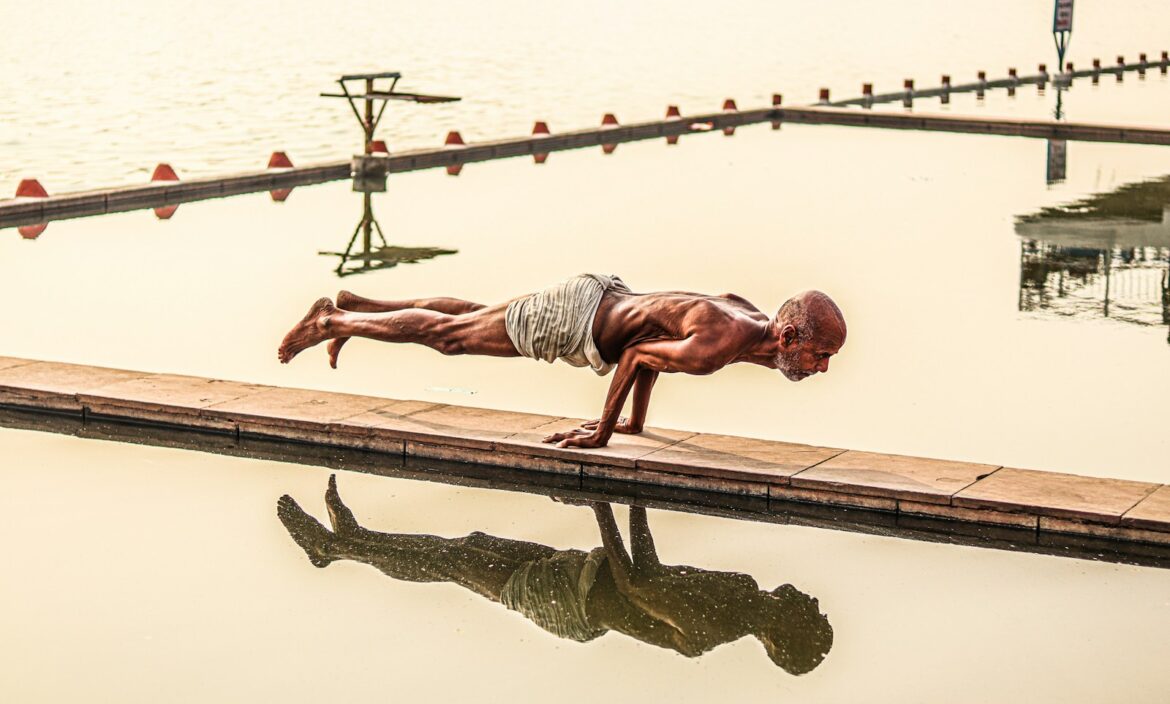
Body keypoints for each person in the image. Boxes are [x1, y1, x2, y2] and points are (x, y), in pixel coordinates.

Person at [277, 476, 834, 674]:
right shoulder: (738, 589)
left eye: (810, 611)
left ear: (783, 631)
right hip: (589, 573)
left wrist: (603, 505)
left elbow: (639, 587)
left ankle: (339, 547)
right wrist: (634, 500)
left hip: (572, 603)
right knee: (464, 548)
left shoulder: (713, 627)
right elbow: (654, 571)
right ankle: (350, 541)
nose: (811, 598)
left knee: (454, 562)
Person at [277, 274, 846, 449]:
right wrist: (603, 432)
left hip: (600, 298)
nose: (821, 368)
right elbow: (641, 354)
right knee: (453, 338)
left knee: (471, 317)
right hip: (575, 320)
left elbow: (650, 347)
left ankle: (361, 307)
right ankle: (332, 321)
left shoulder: (752, 326)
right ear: (791, 333)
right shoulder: (724, 344)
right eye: (820, 355)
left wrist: (635, 425)